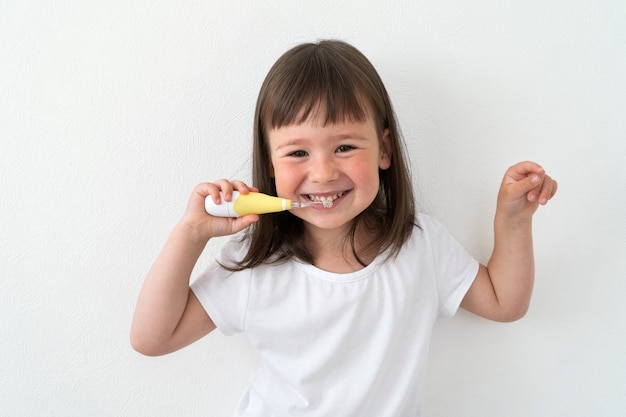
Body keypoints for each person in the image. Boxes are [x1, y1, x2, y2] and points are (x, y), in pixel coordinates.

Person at [130, 40, 557, 416]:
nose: (322, 172)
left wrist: (513, 220)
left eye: (345, 147)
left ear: (384, 150)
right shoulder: (253, 262)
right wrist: (190, 234)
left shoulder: (420, 245)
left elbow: (505, 302)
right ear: (272, 163)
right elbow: (152, 338)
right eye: (297, 152)